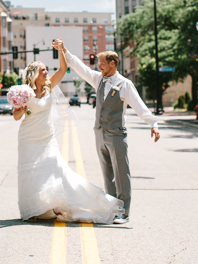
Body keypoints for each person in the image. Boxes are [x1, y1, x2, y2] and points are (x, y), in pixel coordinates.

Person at [13, 42, 124, 224]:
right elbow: (16, 116)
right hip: (28, 137)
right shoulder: (25, 92)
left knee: (54, 169)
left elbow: (63, 69)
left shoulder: (48, 86)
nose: (46, 72)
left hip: (46, 137)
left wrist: (62, 50)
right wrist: (21, 108)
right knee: (31, 171)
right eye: (42, 70)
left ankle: (56, 203)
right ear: (34, 74)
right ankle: (32, 209)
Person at [57, 39, 159, 224]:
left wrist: (153, 123)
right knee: (108, 176)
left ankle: (124, 213)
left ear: (112, 63)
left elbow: (138, 105)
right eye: (99, 65)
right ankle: (114, 209)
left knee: (121, 174)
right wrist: (64, 50)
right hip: (99, 134)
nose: (99, 67)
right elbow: (81, 68)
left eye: (102, 64)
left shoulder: (125, 84)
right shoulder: (99, 80)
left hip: (116, 134)